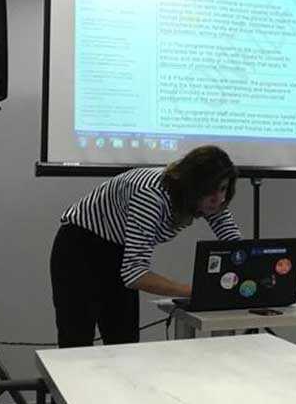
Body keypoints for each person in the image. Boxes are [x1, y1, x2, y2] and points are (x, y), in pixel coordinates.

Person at [50, 145, 242, 348]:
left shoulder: (207, 199)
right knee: (76, 342)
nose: (219, 199)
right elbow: (134, 274)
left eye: (223, 188)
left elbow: (234, 244)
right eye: (211, 190)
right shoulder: (151, 196)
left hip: (118, 247)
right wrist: (195, 291)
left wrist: (247, 275)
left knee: (125, 344)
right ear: (194, 185)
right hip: (80, 248)